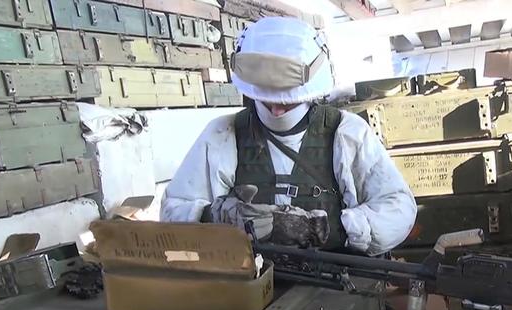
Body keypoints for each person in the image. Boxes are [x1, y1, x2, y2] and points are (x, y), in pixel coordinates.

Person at [160, 16, 417, 256]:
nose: (276, 110)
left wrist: (326, 230)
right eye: (266, 101)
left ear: (309, 93)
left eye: (287, 102)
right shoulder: (222, 134)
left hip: (333, 276)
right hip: (250, 278)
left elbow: (398, 208)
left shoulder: (347, 133)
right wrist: (215, 216)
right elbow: (174, 210)